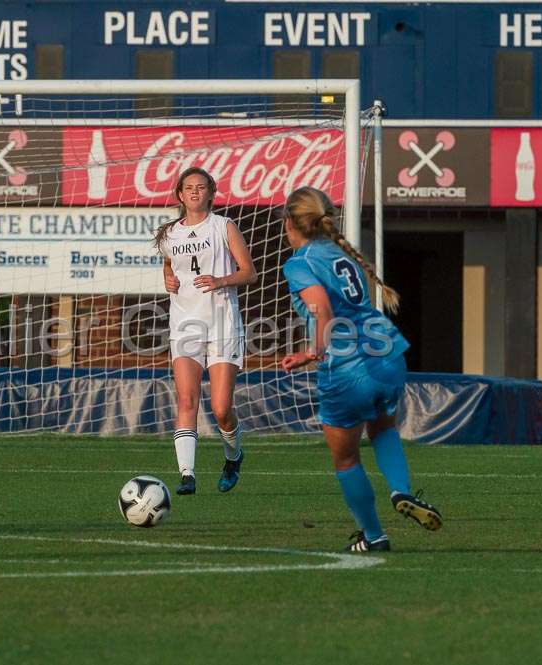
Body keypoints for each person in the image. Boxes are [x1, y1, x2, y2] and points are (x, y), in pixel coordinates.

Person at [279, 186, 442, 552]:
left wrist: (311, 352)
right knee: (383, 427)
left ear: (289, 223)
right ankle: (401, 490)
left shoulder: (300, 262)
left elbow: (323, 310)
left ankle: (374, 536)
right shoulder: (341, 253)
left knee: (346, 457)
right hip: (388, 354)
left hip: (348, 367)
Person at [154, 167, 256, 495]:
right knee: (187, 398)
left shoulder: (224, 226)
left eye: (201, 187)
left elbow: (249, 272)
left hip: (223, 324)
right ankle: (187, 474)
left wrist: (221, 280)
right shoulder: (170, 233)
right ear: (180, 195)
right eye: (189, 188)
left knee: (221, 408)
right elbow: (170, 265)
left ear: (211, 193)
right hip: (184, 324)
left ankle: (233, 455)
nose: (195, 192)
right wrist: (167, 278)